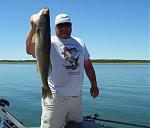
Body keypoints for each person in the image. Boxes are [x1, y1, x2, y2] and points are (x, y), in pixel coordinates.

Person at [26, 13, 99, 128]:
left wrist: (94, 84)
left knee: (76, 126)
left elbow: (88, 65)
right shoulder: (49, 41)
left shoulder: (80, 42)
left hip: (77, 98)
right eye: (60, 26)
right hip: (55, 98)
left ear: (71, 26)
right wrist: (33, 28)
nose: (64, 28)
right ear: (55, 28)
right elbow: (30, 50)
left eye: (67, 25)